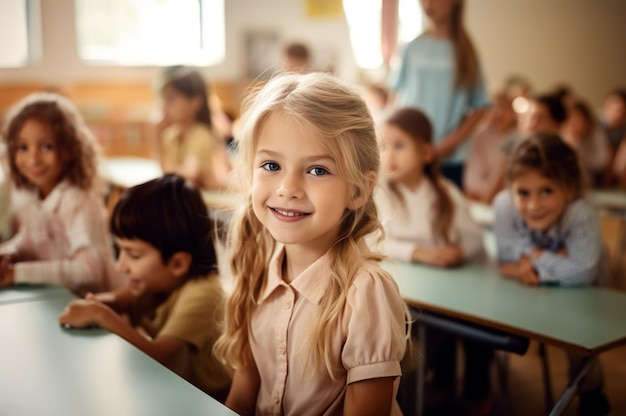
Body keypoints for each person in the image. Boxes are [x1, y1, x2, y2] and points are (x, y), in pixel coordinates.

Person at [213, 72, 408, 416]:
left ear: (358, 190)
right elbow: (242, 399)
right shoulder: (256, 268)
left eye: (317, 170)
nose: (288, 188)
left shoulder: (364, 293)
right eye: (271, 165)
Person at [58, 174, 232, 401]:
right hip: (175, 393)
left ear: (178, 263)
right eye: (119, 251)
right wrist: (96, 303)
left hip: (210, 402)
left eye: (133, 254)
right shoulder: (158, 280)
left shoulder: (203, 292)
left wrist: (99, 314)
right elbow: (120, 299)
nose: (121, 266)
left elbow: (159, 359)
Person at [376, 107, 489, 415]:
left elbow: (475, 240)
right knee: (413, 326)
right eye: (383, 146)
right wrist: (420, 253)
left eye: (399, 145)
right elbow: (371, 239)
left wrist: (456, 252)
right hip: (406, 292)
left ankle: (477, 391)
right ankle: (434, 384)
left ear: (426, 152)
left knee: (471, 323)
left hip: (451, 291)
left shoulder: (446, 195)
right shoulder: (380, 193)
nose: (389, 155)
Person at [493, 133, 611, 416]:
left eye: (547, 191)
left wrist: (533, 259)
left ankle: (591, 394)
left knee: (579, 341)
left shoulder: (582, 211)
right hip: (530, 291)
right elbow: (506, 255)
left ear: (569, 189)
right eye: (523, 193)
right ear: (512, 188)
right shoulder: (504, 204)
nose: (533, 205)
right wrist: (555, 260)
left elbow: (583, 271)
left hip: (586, 295)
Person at [0, 92, 118, 296]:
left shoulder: (76, 199)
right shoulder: (34, 194)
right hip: (58, 301)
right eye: (22, 147)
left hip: (97, 313)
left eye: (46, 146)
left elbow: (89, 271)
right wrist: (8, 253)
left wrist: (16, 274)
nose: (33, 159)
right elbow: (30, 239)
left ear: (70, 148)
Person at [388, 0, 491, 188]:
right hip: (411, 153)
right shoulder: (412, 48)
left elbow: (480, 107)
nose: (428, 4)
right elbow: (395, 99)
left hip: (449, 158)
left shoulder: (465, 51)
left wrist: (449, 143)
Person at [158, 66, 231, 190]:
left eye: (171, 100)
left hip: (213, 204)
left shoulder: (202, 135)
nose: (164, 107)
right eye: (163, 100)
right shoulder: (171, 135)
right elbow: (167, 172)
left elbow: (189, 177)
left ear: (195, 102)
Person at [464, 92, 520, 204]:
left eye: (504, 108)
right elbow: (474, 184)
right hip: (484, 201)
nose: (498, 113)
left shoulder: (520, 138)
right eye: (492, 108)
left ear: (513, 112)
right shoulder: (479, 136)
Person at [561, 99, 610, 187]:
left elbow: (601, 161)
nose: (573, 123)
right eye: (570, 118)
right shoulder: (559, 135)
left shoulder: (595, 133)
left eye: (579, 118)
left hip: (592, 179)